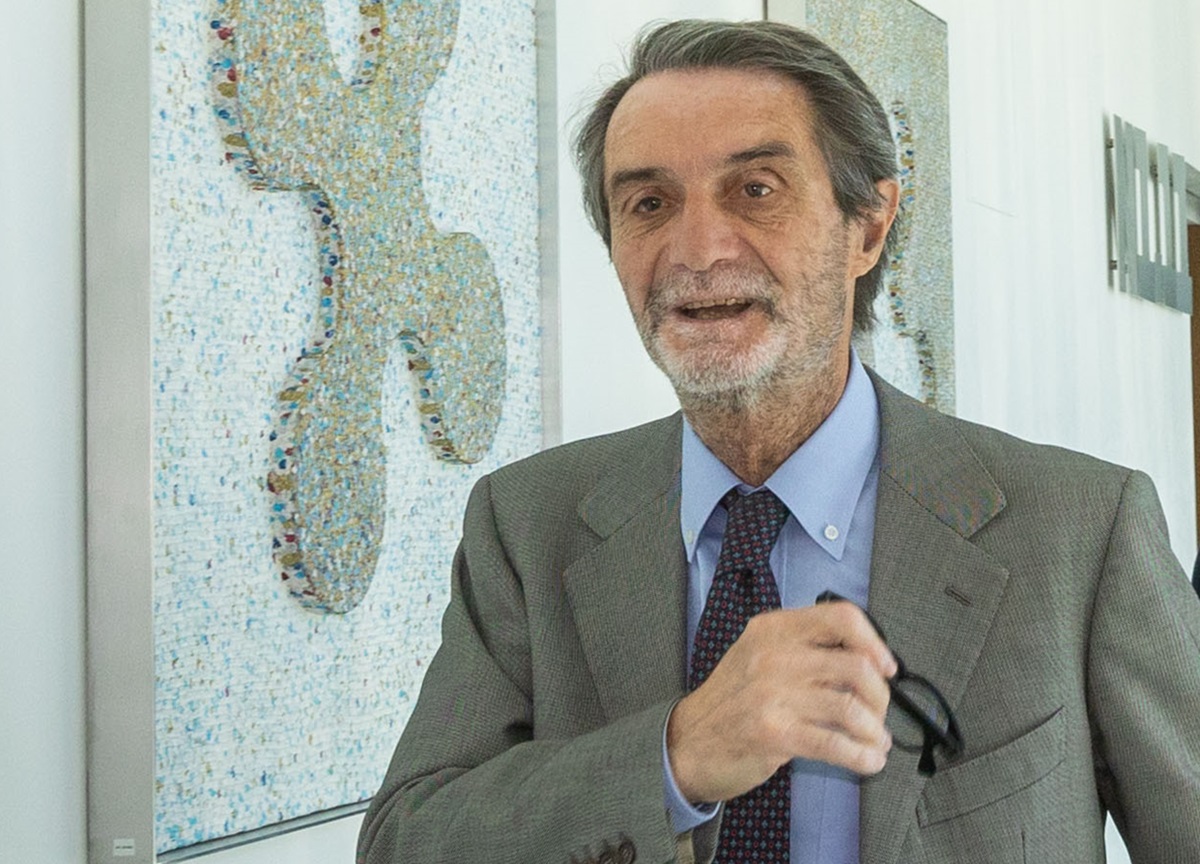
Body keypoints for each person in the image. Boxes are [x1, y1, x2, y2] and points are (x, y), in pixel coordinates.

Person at [358, 19, 1200, 864]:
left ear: (867, 228)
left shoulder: (1082, 532)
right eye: (648, 204)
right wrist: (675, 757)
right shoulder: (526, 524)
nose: (697, 251)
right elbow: (404, 843)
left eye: (755, 190)